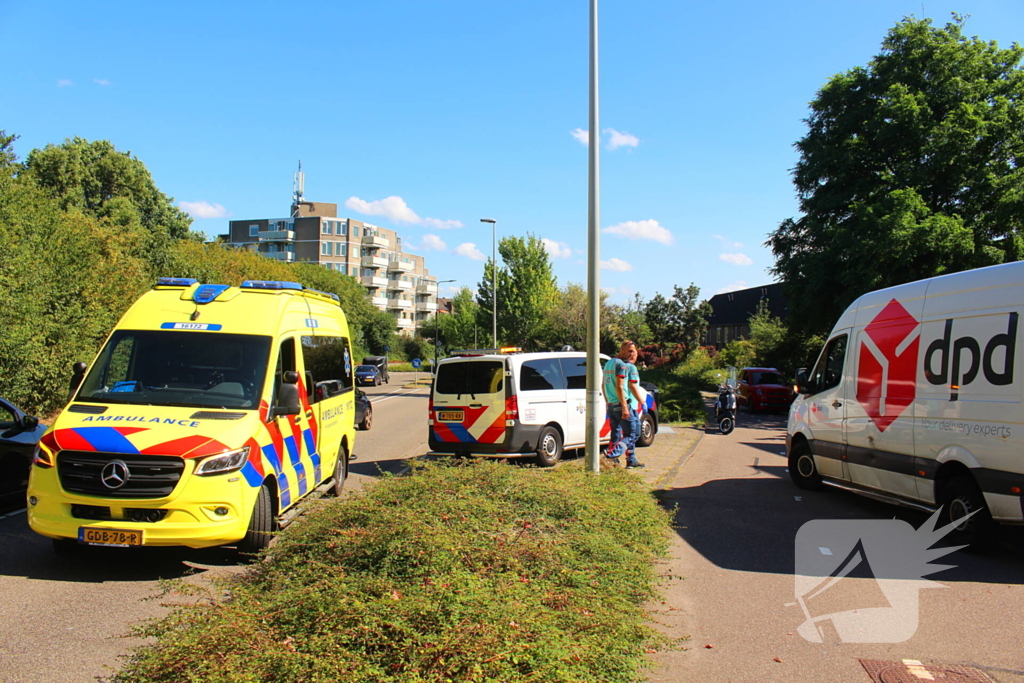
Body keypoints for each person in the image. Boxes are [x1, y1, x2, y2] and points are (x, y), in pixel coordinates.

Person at [602, 340, 646, 469]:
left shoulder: (609, 363)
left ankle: (629, 459)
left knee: (616, 433)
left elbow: (603, 384)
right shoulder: (623, 365)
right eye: (629, 351)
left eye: (633, 351)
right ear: (622, 349)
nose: (631, 354)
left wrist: (608, 402)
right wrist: (626, 407)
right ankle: (611, 456)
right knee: (632, 433)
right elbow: (622, 387)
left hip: (612, 404)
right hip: (623, 404)